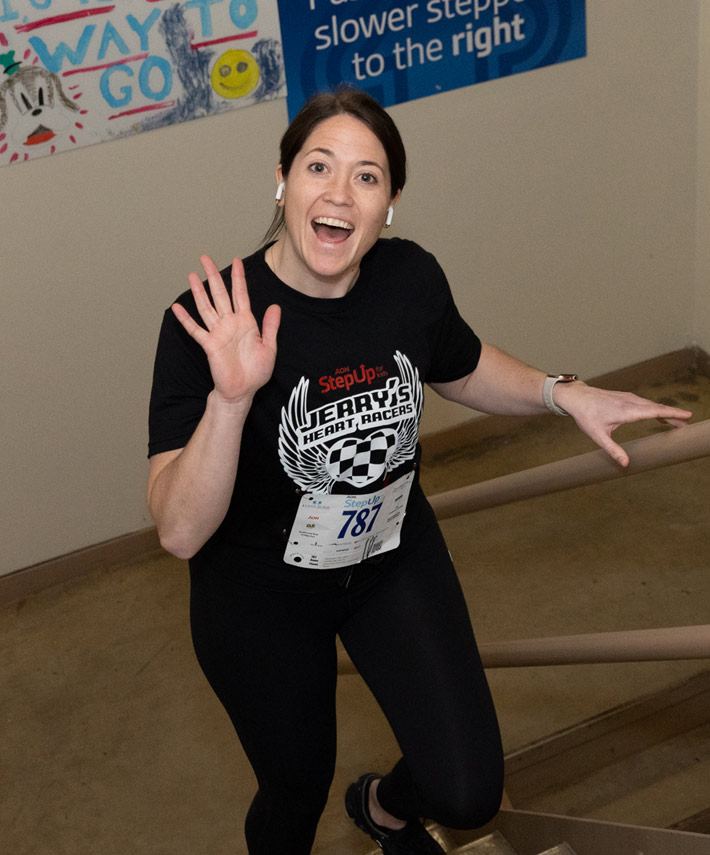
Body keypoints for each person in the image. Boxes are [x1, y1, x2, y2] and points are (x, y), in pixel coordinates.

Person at [146, 87, 692, 855]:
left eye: (367, 177)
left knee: (467, 789)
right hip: (258, 598)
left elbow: (459, 365)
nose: (340, 192)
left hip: (390, 558)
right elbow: (178, 529)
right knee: (293, 789)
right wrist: (231, 400)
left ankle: (386, 806)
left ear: (391, 202)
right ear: (282, 180)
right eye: (319, 166)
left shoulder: (408, 279)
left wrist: (559, 394)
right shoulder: (209, 320)